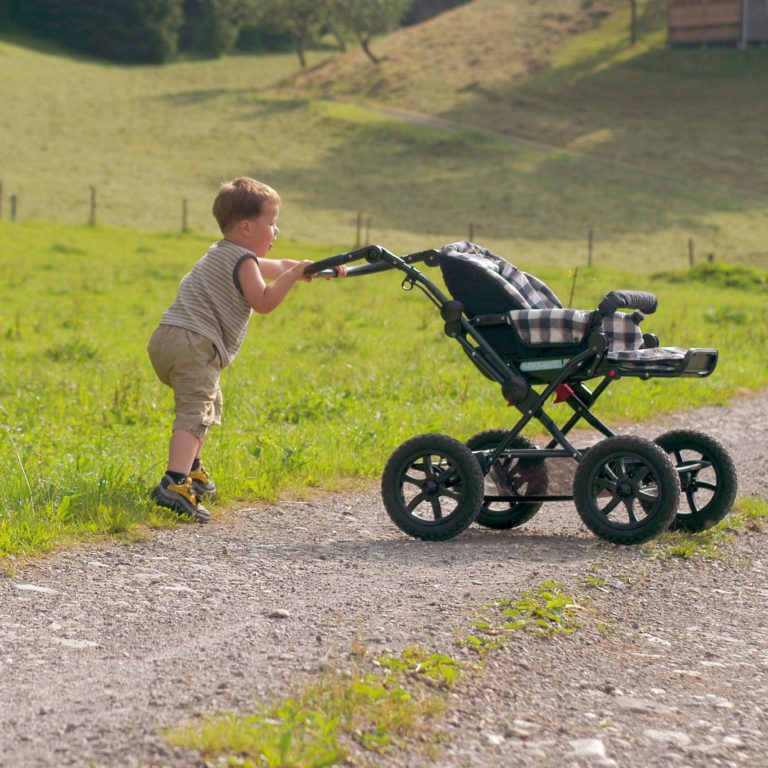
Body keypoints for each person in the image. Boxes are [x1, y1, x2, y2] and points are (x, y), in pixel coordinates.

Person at [147, 176, 342, 522]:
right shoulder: (244, 261)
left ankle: (191, 470)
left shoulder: (222, 252)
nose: (277, 231)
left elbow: (283, 266)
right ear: (248, 227)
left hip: (168, 340)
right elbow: (264, 301)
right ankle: (173, 484)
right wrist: (291, 277)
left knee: (208, 404)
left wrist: (312, 269)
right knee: (194, 413)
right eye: (273, 222)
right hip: (194, 343)